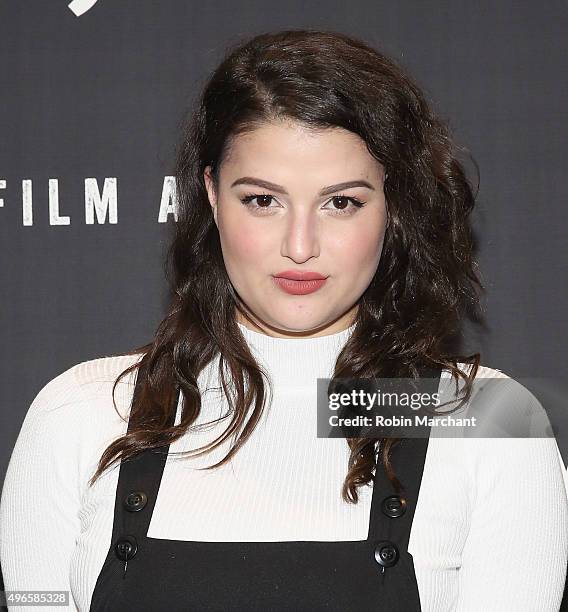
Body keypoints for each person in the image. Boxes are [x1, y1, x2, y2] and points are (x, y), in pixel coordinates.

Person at [1, 29, 567, 612]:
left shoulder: (491, 424)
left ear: (392, 208)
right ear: (212, 197)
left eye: (340, 202)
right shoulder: (79, 413)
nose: (301, 246)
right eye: (262, 200)